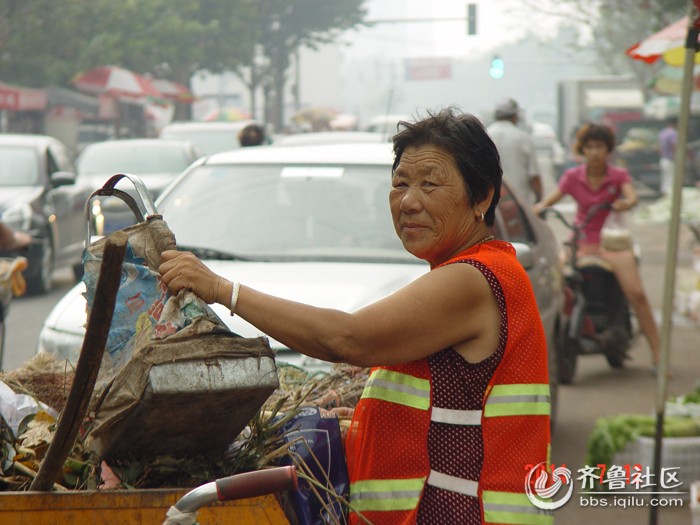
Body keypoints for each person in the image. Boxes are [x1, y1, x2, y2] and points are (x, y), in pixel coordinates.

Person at [159, 108, 552, 525]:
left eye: (430, 185)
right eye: (399, 183)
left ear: (483, 197)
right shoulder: (472, 271)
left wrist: (222, 289)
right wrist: (370, 419)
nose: (409, 201)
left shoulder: (473, 279)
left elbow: (348, 340)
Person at [533, 122, 661, 372]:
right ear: (582, 150)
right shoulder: (572, 177)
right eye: (589, 147)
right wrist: (535, 211)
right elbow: (548, 201)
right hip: (580, 242)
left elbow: (631, 197)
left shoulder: (618, 176)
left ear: (608, 150)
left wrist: (625, 203)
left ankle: (658, 354)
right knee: (554, 281)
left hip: (612, 244)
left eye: (599, 146)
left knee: (636, 293)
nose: (594, 152)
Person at [487, 98, 542, 204]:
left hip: (490, 204)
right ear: (515, 117)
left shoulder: (484, 137)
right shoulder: (524, 138)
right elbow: (534, 176)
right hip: (519, 205)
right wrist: (539, 201)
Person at [658, 116, 677, 196]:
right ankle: (669, 197)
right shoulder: (673, 133)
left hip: (663, 159)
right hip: (670, 159)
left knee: (665, 179)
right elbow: (674, 145)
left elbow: (659, 147)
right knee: (670, 180)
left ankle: (664, 195)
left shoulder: (662, 133)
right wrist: (676, 156)